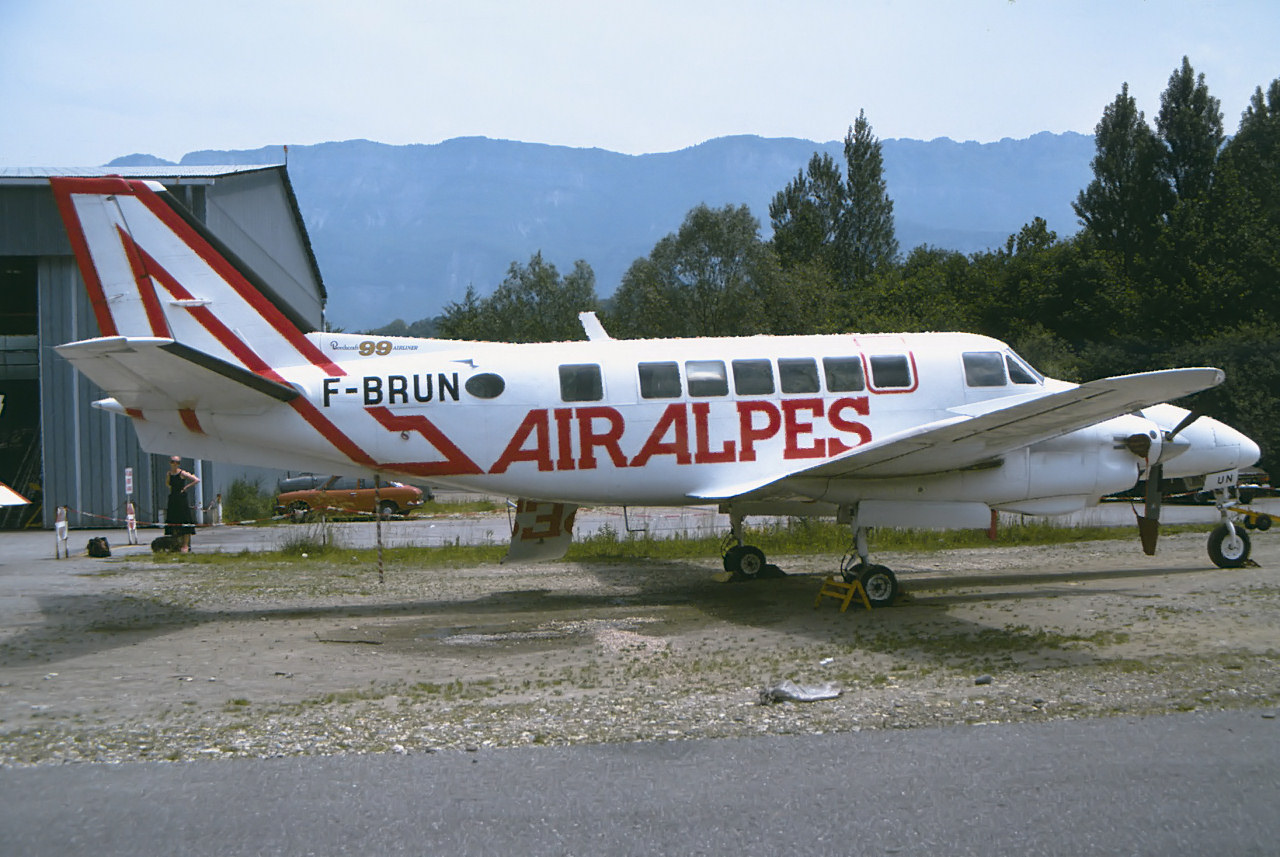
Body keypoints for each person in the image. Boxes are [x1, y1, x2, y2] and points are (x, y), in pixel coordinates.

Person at [165, 456, 199, 552]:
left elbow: (196, 480)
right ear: (170, 463)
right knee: (173, 521)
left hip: (181, 499)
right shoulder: (169, 473)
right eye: (173, 462)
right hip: (173, 499)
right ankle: (175, 544)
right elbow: (167, 483)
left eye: (177, 462)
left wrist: (186, 487)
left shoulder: (182, 473)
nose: (175, 464)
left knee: (185, 521)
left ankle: (185, 545)